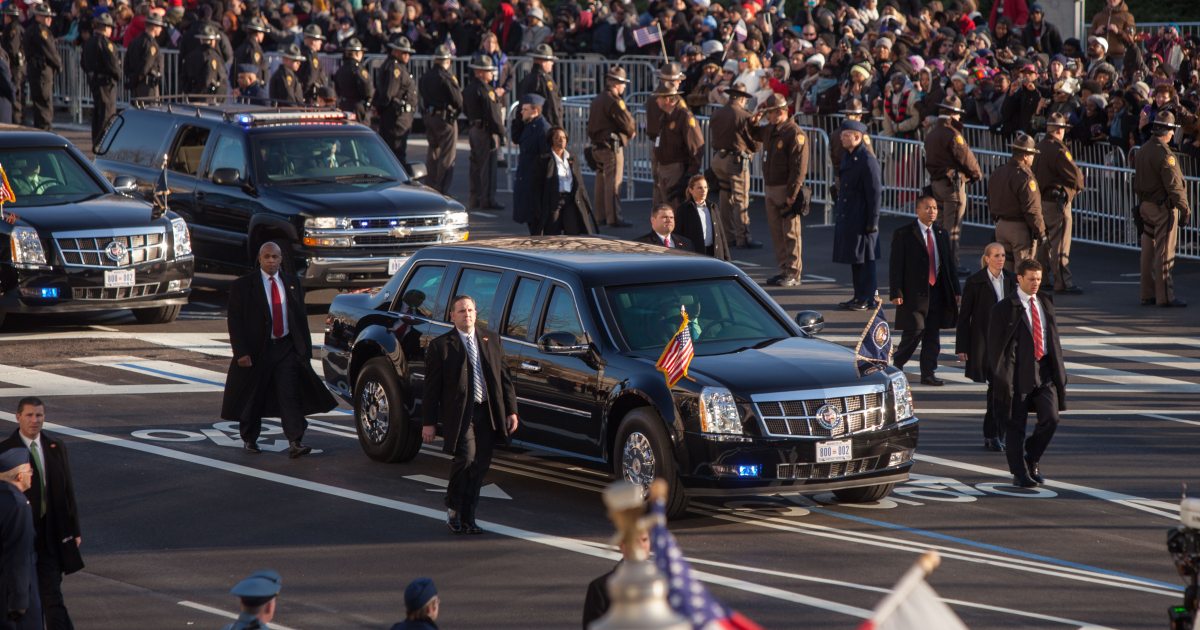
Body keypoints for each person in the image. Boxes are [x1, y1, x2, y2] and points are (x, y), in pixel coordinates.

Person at [221, 243, 337, 459]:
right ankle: (250, 439)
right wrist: (241, 353)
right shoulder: (244, 285)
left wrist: (303, 351)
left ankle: (295, 441)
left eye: (275, 256)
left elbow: (300, 318)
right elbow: (234, 321)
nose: (271, 260)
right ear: (260, 259)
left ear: (281, 259)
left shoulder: (292, 283)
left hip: (285, 348)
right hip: (258, 350)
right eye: (267, 257)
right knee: (254, 396)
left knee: (289, 394)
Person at [422, 295, 519, 534]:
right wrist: (429, 423)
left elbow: (504, 379)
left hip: (488, 412)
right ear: (452, 316)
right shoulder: (440, 346)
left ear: (476, 313)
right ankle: (453, 508)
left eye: (471, 310)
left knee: (480, 466)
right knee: (466, 458)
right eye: (462, 311)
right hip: (461, 415)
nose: (467, 314)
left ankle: (469, 517)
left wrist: (511, 411)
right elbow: (431, 389)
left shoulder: (492, 340)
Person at [0, 398, 82, 630]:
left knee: (52, 596)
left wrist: (74, 529)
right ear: (18, 417)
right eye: (29, 415)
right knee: (20, 599)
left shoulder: (56, 446)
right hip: (18, 536)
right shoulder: (5, 451)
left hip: (50, 536)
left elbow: (67, 491)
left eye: (39, 415)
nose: (35, 420)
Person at [987, 259, 1067, 488]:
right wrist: (1004, 381)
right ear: (1019, 278)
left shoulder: (1045, 301)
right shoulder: (1002, 309)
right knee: (1015, 425)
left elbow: (1053, 338)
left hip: (1043, 371)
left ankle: (1031, 458)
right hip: (1017, 373)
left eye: (1039, 279)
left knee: (1051, 418)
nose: (1036, 283)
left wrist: (1058, 372)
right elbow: (997, 351)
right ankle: (1019, 473)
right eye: (1031, 278)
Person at [889, 195, 961, 386]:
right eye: (928, 208)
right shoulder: (904, 234)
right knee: (914, 331)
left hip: (936, 292)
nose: (932, 211)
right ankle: (897, 364)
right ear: (917, 211)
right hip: (913, 294)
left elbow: (948, 264)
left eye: (935, 208)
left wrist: (956, 289)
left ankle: (928, 374)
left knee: (932, 335)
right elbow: (896, 266)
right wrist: (896, 292)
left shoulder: (941, 233)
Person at [957, 243, 1017, 452]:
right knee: (997, 387)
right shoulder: (975, 281)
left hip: (1010, 344)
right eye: (997, 256)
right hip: (987, 344)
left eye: (1003, 255)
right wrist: (962, 346)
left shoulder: (1012, 279)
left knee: (1006, 390)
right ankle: (993, 434)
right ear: (987, 258)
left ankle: (998, 432)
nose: (1001, 259)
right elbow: (965, 316)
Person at [1134, 111, 1191, 308]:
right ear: (1169, 131)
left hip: (1146, 205)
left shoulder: (1142, 150)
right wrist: (1184, 209)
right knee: (1164, 253)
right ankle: (1164, 296)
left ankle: (1147, 293)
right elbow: (1174, 187)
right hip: (1162, 209)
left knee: (1148, 252)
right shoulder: (1165, 154)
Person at [924, 95, 982, 276]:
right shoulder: (952, 135)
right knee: (952, 228)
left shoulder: (932, 133)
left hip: (936, 184)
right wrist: (976, 176)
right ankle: (951, 264)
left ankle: (939, 262)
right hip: (952, 187)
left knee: (940, 227)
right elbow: (967, 159)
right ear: (953, 115)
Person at [757, 93, 808, 287]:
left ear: (780, 112)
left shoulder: (794, 133)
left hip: (784, 189)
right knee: (777, 232)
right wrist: (753, 120)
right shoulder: (772, 129)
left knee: (790, 232)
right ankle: (784, 269)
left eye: (769, 113)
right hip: (770, 187)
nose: (767, 117)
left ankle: (794, 272)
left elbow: (798, 168)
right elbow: (753, 133)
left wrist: (792, 194)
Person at [1032, 112, 1086, 294]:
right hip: (1056, 203)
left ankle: (1044, 278)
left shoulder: (1038, 146)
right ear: (1060, 130)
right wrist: (1077, 187)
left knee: (1043, 243)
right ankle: (1062, 282)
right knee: (1060, 244)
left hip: (1040, 201)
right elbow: (1076, 177)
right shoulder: (1058, 149)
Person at [833, 119, 882, 311]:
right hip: (850, 213)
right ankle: (858, 295)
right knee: (856, 258)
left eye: (845, 135)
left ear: (857, 137)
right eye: (842, 135)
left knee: (866, 259)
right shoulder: (848, 155)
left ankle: (867, 297)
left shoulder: (867, 159)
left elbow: (875, 192)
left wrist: (873, 221)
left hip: (862, 215)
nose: (841, 138)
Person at [709, 86, 763, 249]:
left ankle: (729, 235)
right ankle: (743, 237)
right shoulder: (744, 116)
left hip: (718, 159)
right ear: (741, 99)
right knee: (741, 200)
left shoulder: (716, 113)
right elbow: (755, 145)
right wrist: (755, 125)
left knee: (725, 198)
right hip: (735, 161)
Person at [988, 134, 1045, 273]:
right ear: (1025, 156)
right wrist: (1041, 232)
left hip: (1001, 226)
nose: (1033, 157)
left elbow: (990, 198)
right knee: (1023, 273)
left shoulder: (998, 171)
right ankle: (1019, 296)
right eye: (1032, 154)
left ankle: (1005, 295)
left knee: (1004, 273)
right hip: (1019, 230)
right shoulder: (1025, 178)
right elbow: (1032, 210)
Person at [587, 67, 636, 228]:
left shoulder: (598, 98)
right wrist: (631, 131)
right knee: (613, 182)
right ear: (616, 83)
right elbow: (627, 122)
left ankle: (600, 216)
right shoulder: (613, 100)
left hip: (597, 147)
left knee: (601, 182)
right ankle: (614, 218)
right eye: (623, 84)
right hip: (610, 148)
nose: (624, 87)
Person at [0, 448, 40, 630]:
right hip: (9, 596)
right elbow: (18, 557)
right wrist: (20, 600)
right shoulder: (18, 505)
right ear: (19, 477)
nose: (31, 474)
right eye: (29, 471)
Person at [581, 528, 651, 629]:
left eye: (645, 540)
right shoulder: (601, 588)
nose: (642, 545)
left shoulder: (664, 582)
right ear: (621, 545)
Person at [534, 126, 598, 236]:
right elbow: (536, 186)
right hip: (553, 201)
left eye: (563, 137)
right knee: (552, 234)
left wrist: (586, 204)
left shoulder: (572, 156)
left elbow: (579, 182)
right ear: (551, 140)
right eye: (558, 138)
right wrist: (537, 207)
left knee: (573, 233)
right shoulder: (543, 159)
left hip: (569, 199)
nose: (561, 140)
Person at [418, 45, 463, 195]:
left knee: (433, 154)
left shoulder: (425, 76)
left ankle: (430, 187)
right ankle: (441, 189)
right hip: (445, 120)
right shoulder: (446, 77)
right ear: (448, 61)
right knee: (447, 156)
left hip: (430, 117)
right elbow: (458, 100)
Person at [651, 84, 703, 208]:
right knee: (668, 209)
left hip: (676, 169)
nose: (657, 100)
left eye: (659, 97)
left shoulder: (685, 117)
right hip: (664, 168)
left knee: (677, 209)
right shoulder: (665, 116)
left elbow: (696, 147)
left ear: (667, 100)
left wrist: (690, 173)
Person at [464, 56, 505, 211]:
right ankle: (487, 200)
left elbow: (465, 109)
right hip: (486, 131)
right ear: (480, 72)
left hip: (474, 129)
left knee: (475, 166)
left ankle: (475, 198)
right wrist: (502, 133)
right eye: (489, 71)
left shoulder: (469, 88)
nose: (492, 74)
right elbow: (494, 115)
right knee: (487, 168)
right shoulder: (486, 90)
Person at [512, 93, 553, 234]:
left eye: (525, 109)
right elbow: (516, 138)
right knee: (530, 219)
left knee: (536, 219)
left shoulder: (543, 128)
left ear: (535, 111)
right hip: (526, 175)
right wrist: (518, 120)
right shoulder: (529, 125)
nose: (521, 112)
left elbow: (547, 158)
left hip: (535, 179)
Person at [647, 62, 686, 206]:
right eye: (677, 80)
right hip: (671, 150)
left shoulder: (651, 98)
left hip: (656, 145)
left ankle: (658, 218)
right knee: (671, 190)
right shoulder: (674, 101)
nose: (680, 82)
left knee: (658, 185)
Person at [375, 36, 418, 167]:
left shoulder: (396, 66)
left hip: (397, 117)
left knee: (394, 153)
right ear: (395, 51)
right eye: (404, 52)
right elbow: (388, 93)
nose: (407, 56)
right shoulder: (394, 68)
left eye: (408, 53)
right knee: (397, 155)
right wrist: (379, 109)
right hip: (396, 118)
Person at [81, 12, 121, 147]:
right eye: (110, 28)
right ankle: (103, 144)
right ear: (106, 28)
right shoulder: (105, 43)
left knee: (97, 114)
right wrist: (118, 76)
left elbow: (83, 63)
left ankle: (96, 142)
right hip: (105, 83)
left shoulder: (88, 42)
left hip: (94, 82)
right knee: (106, 115)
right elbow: (113, 64)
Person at [673, 174, 730, 261]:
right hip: (695, 255)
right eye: (699, 188)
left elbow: (721, 235)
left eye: (705, 187)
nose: (703, 191)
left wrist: (727, 259)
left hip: (715, 253)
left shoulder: (713, 207)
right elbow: (677, 236)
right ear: (691, 190)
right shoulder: (683, 209)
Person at [23, 4, 61, 130]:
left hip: (35, 71)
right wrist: (58, 65)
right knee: (44, 106)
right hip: (42, 72)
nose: (50, 20)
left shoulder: (30, 29)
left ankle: (39, 132)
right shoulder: (40, 31)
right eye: (47, 17)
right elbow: (49, 50)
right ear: (39, 16)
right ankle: (45, 134)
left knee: (38, 107)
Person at [517, 44, 562, 129]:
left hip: (527, 128)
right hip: (544, 129)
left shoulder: (526, 79)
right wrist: (558, 129)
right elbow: (552, 107)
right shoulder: (545, 81)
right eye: (550, 60)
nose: (552, 63)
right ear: (543, 62)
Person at [124, 14, 165, 99]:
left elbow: (126, 62)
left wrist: (132, 80)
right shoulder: (151, 44)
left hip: (136, 84)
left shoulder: (135, 41)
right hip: (146, 86)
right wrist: (136, 78)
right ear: (153, 27)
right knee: (150, 110)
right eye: (159, 26)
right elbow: (146, 65)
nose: (161, 29)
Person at [334, 39, 373, 125]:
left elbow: (337, 89)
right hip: (358, 108)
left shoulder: (341, 70)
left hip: (344, 105)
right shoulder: (359, 70)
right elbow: (367, 90)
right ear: (358, 53)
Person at [183, 26, 229, 96]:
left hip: (192, 96)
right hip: (207, 97)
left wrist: (190, 93)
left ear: (201, 40)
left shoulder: (191, 55)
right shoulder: (212, 57)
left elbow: (183, 77)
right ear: (212, 41)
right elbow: (208, 78)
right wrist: (197, 93)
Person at [2, 5, 25, 126]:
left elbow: (12, 49)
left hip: (15, 69)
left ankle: (17, 124)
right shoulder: (10, 28)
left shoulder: (14, 30)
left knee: (16, 98)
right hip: (13, 68)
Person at [298, 24, 329, 104]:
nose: (321, 43)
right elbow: (311, 76)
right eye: (319, 40)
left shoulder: (301, 53)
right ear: (313, 41)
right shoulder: (312, 56)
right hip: (311, 96)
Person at [233, 16, 269, 84]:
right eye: (263, 33)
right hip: (251, 89)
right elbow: (253, 71)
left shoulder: (241, 47)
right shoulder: (254, 49)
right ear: (258, 34)